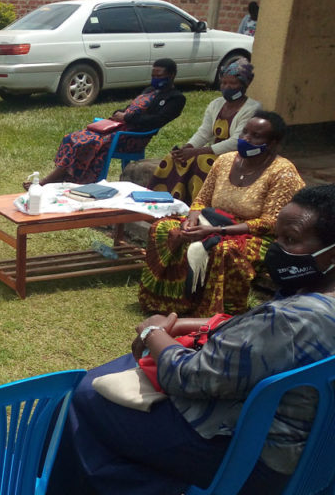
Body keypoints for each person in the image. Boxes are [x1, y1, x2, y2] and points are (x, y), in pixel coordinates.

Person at [48, 184, 335, 495]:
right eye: (276, 237)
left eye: (290, 240)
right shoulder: (316, 302)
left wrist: (152, 331)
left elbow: (187, 377)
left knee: (87, 396)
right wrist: (190, 324)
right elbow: (264, 337)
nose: (276, 249)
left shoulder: (295, 318)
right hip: (317, 449)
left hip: (253, 459)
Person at [139, 111, 304, 317]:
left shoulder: (283, 172)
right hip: (212, 220)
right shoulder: (225, 160)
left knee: (223, 249)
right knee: (163, 229)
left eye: (256, 136)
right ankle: (165, 302)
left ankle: (215, 314)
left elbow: (271, 223)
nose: (246, 139)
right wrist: (191, 220)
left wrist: (217, 230)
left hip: (255, 235)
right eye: (245, 132)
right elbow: (201, 199)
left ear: (272, 143)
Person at [32, 58, 185, 186]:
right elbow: (130, 108)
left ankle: (49, 181)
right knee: (72, 137)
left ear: (171, 75)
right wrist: (119, 114)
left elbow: (156, 121)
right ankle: (62, 177)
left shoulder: (175, 98)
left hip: (134, 136)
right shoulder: (149, 90)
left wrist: (128, 118)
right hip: (118, 127)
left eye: (159, 75)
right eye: (153, 74)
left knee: (87, 142)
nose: (155, 78)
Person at [147, 58, 261, 204]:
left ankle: (198, 207)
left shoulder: (252, 108)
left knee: (202, 161)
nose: (227, 87)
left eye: (233, 84)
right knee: (174, 157)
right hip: (211, 151)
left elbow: (235, 142)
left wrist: (197, 152)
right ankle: (163, 201)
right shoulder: (216, 104)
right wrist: (187, 148)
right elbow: (204, 132)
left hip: (237, 155)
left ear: (245, 85)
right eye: (224, 83)